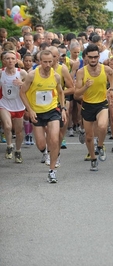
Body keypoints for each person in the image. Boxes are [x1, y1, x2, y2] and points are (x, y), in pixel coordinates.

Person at [20, 50, 67, 183]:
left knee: (54, 138)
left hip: (52, 110)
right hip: (37, 112)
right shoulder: (32, 75)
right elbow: (22, 93)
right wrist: (30, 110)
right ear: (39, 62)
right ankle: (45, 151)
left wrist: (63, 108)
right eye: (44, 62)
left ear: (53, 61)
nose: (47, 64)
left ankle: (52, 171)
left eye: (49, 62)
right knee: (41, 144)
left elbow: (61, 92)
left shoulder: (56, 76)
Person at [74, 44, 113, 171]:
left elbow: (112, 81)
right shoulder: (81, 72)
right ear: (86, 57)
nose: (93, 60)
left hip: (102, 103)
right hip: (87, 105)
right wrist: (85, 87)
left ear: (99, 56)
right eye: (90, 57)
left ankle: (101, 146)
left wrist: (111, 90)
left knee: (102, 126)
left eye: (95, 57)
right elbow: (76, 94)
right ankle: (93, 158)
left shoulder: (107, 69)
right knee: (89, 137)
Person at [0, 51, 28, 163]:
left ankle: (18, 151)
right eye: (7, 58)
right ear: (3, 61)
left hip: (18, 105)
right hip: (4, 103)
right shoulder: (1, 73)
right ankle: (9, 146)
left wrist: (22, 84)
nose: (10, 61)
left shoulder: (22, 73)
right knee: (7, 126)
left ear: (16, 61)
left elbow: (30, 86)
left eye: (12, 58)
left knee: (19, 131)